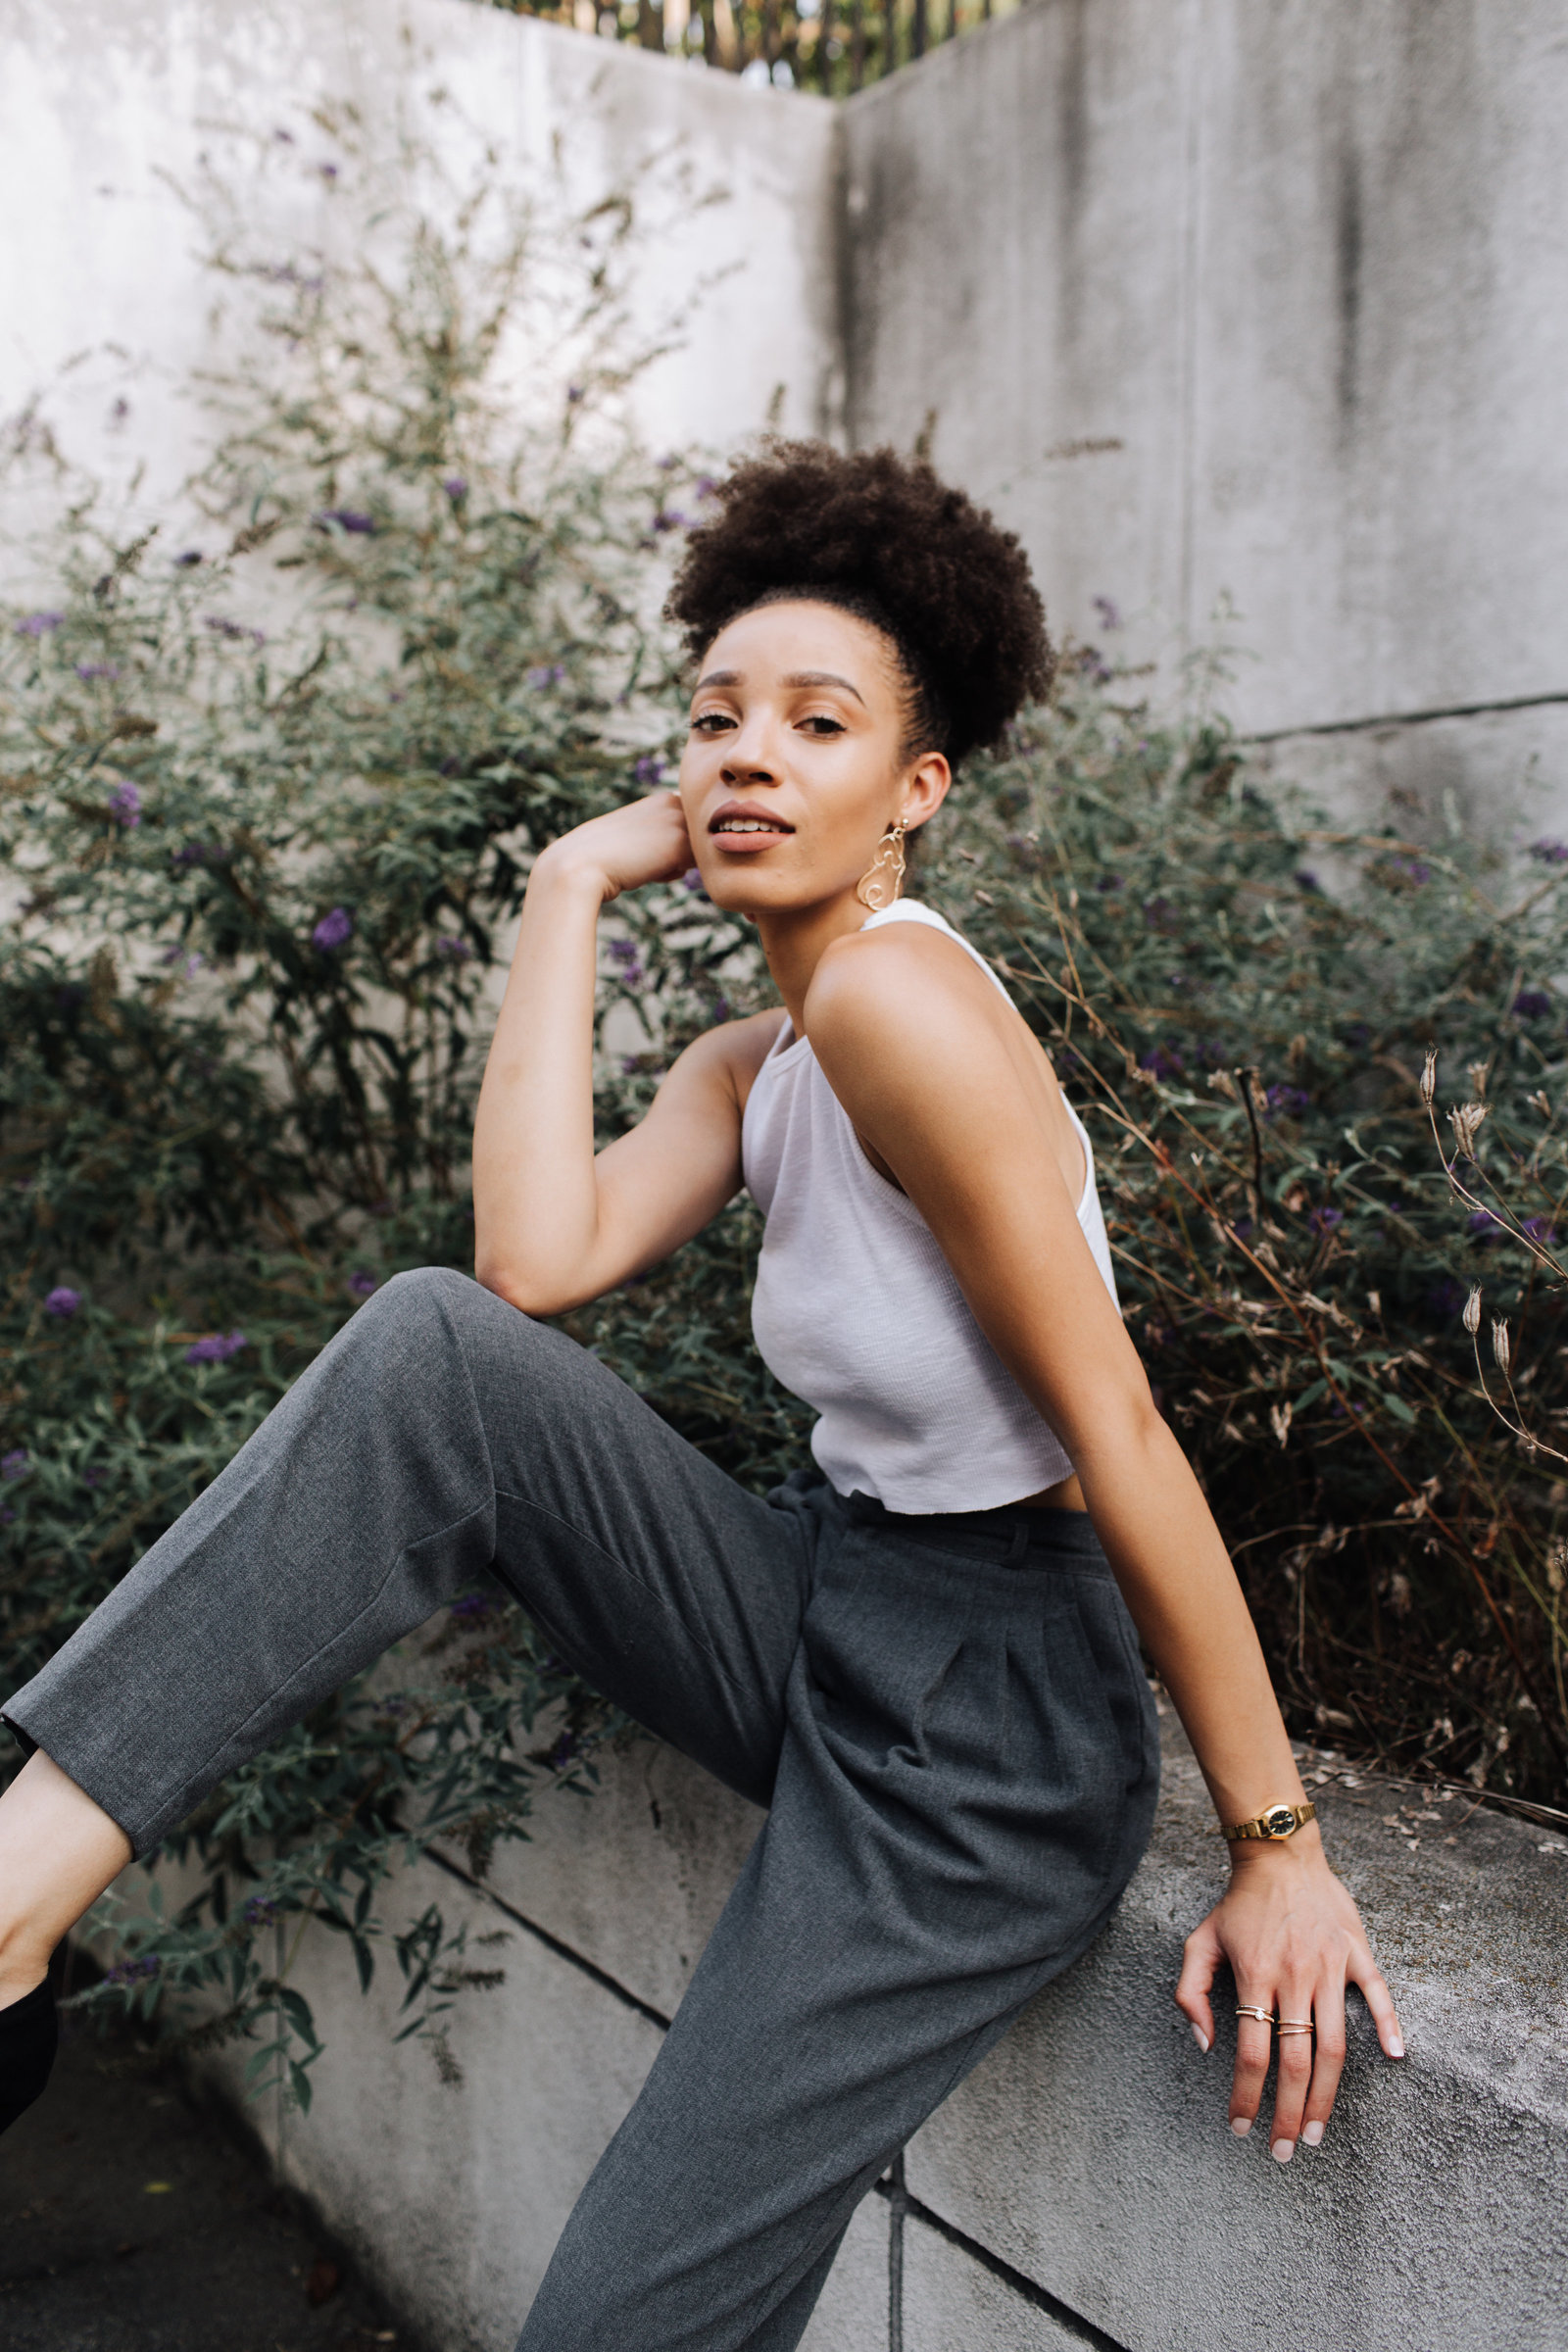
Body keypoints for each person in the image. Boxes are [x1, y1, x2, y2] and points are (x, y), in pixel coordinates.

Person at [0, 442, 1401, 2350]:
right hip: (826, 1598)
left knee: (619, 2322)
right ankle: (13, 1904)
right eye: (712, 718)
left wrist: (1275, 1843)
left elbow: (1120, 1432)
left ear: (912, 789)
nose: (745, 755)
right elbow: (525, 1270)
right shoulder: (761, 1057)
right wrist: (570, 882)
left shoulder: (904, 1010)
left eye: (814, 724)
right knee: (432, 1350)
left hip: (980, 1745)